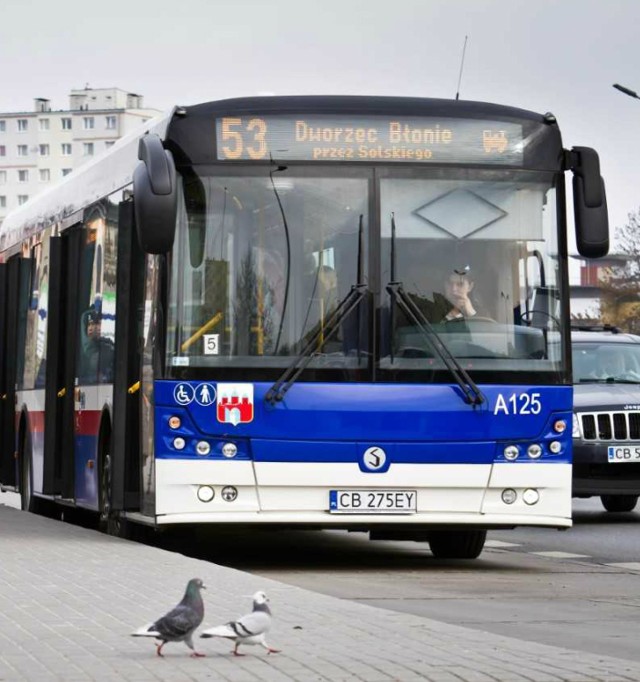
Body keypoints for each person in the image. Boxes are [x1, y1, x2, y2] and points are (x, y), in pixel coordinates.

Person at [80, 306, 115, 383]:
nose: (93, 328)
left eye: (98, 323)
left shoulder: (106, 343)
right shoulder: (88, 351)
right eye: (90, 324)